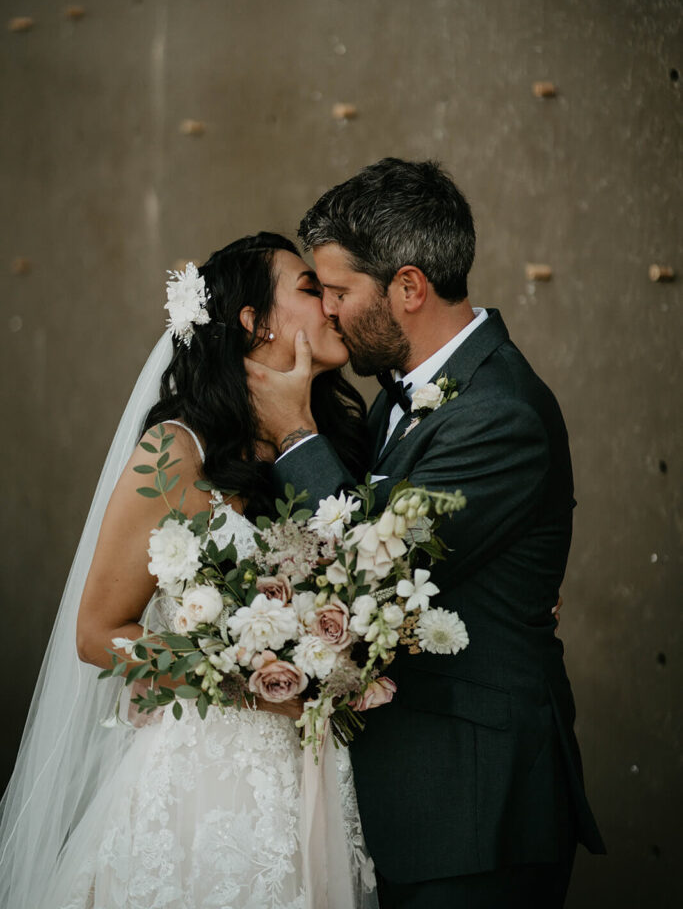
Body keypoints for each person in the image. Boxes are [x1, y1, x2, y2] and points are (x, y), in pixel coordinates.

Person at [246, 159, 606, 909]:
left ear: (409, 288)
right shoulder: (398, 396)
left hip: (474, 809)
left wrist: (291, 437)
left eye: (340, 292)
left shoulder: (497, 414)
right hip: (417, 799)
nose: (330, 312)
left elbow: (367, 573)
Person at [0, 234, 378, 909]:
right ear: (253, 321)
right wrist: (245, 676)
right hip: (203, 787)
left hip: (310, 780)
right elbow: (95, 632)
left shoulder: (338, 445)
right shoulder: (175, 452)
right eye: (307, 287)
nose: (330, 305)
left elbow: (369, 577)